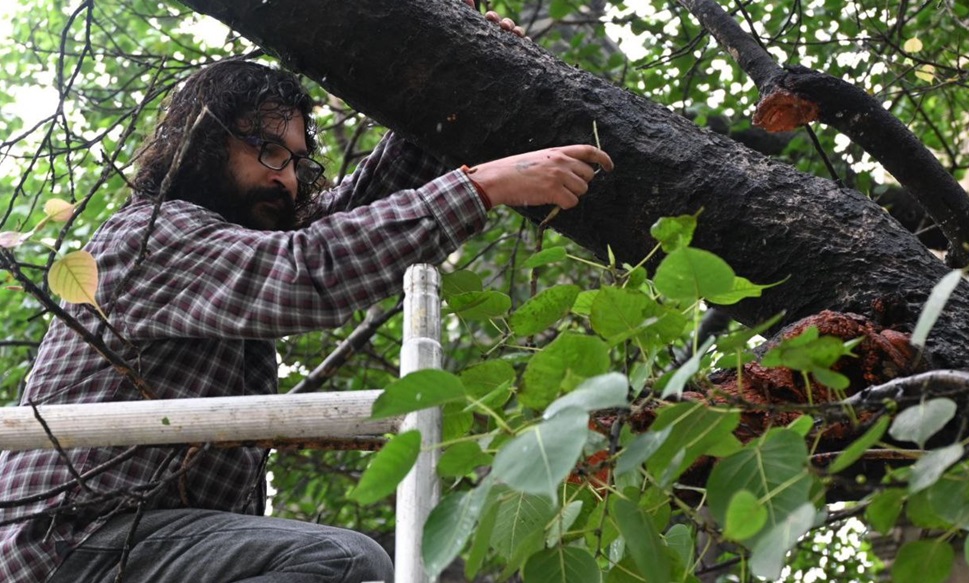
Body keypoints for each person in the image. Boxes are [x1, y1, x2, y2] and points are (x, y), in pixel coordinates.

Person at [0, 11, 613, 583]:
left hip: (138, 538)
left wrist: (464, 80)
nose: (286, 177)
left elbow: (357, 215)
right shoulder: (151, 234)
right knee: (343, 563)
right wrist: (484, 185)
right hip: (69, 541)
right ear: (204, 143)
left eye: (296, 160)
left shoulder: (230, 241)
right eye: (267, 150)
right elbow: (310, 268)